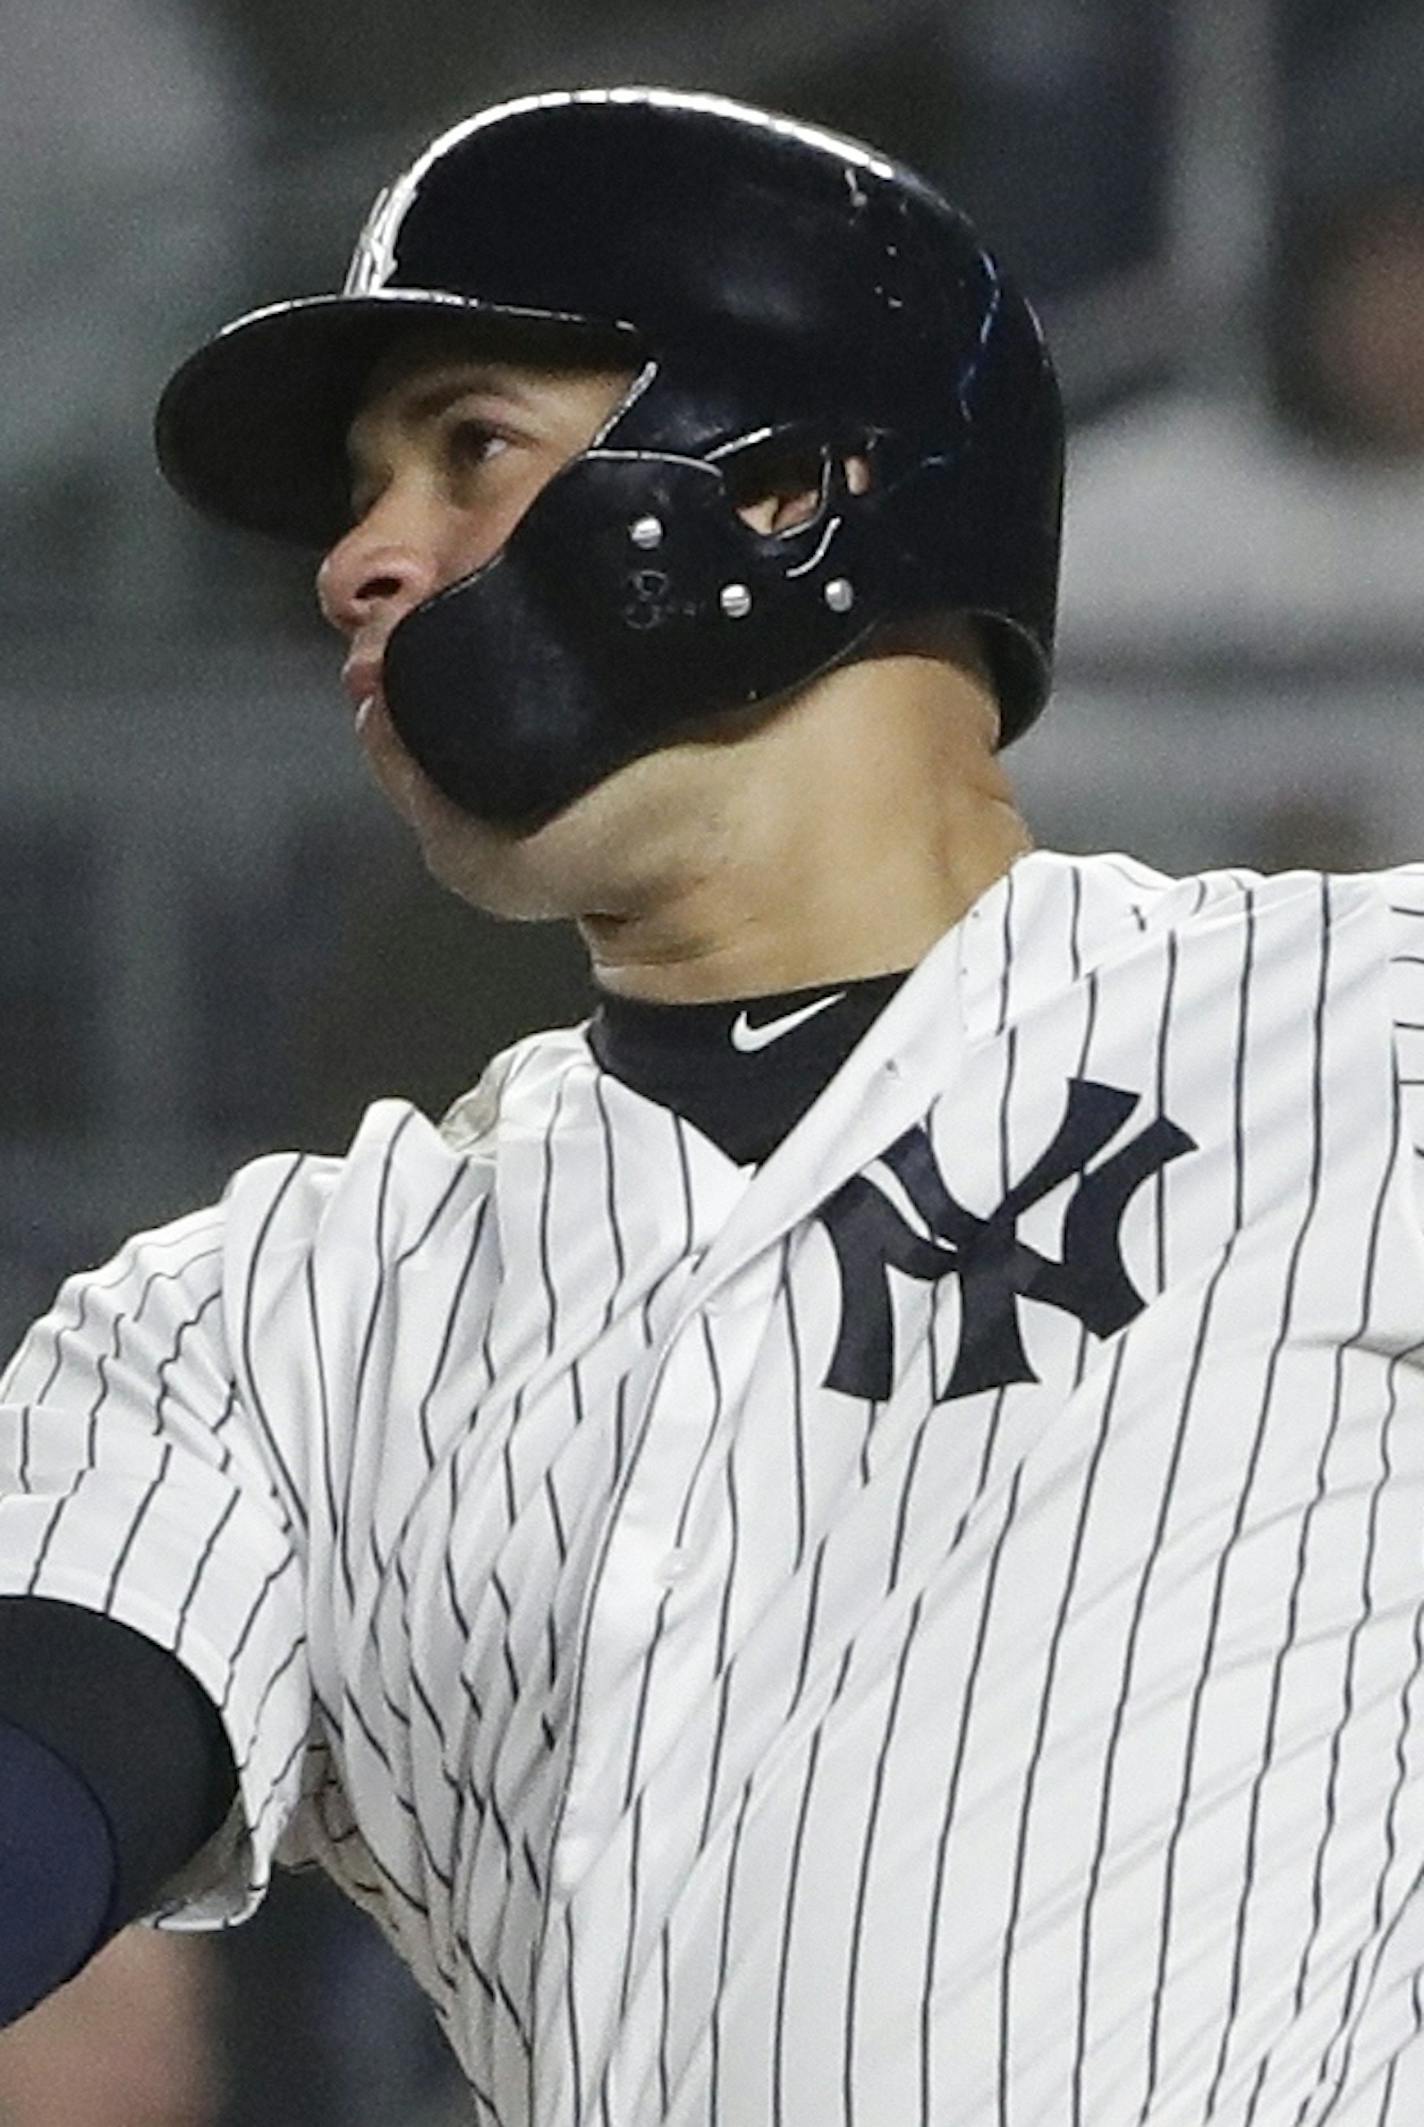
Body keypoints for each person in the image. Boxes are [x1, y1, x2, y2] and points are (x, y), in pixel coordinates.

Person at [2, 84, 1423, 2127]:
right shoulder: (272, 1316)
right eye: (356, 493)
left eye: (470, 447)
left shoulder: (1341, 1033)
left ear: (797, 489)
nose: (355, 561)